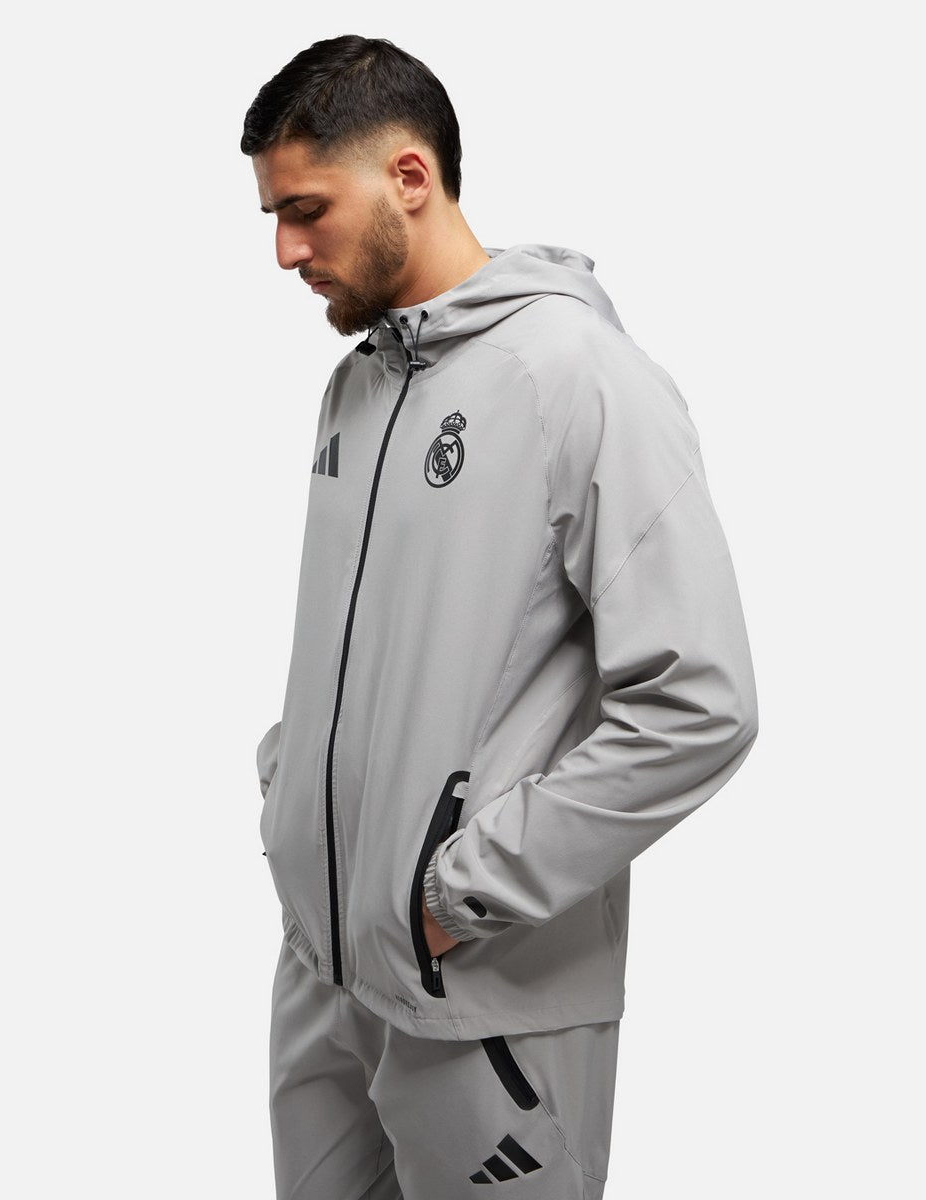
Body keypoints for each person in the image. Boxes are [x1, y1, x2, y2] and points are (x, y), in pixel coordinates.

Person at [242, 34, 758, 1200]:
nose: (285, 251)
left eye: (307, 211)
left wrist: (461, 889)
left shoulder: (579, 375)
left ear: (409, 178)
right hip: (324, 974)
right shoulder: (358, 384)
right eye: (274, 216)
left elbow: (701, 702)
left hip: (483, 997)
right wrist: (294, 812)